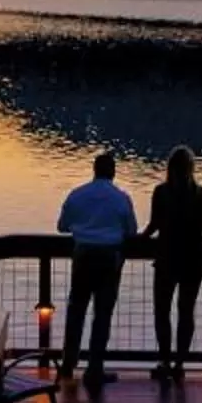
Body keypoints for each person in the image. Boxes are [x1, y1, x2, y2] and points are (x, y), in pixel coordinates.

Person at [55, 150, 137, 386]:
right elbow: (131, 230)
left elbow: (62, 227)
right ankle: (95, 368)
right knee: (102, 314)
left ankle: (68, 363)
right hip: (109, 257)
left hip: (82, 255)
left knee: (76, 310)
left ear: (94, 170)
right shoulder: (121, 198)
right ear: (113, 172)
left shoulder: (77, 195)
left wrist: (84, 228)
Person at [142, 145, 202, 375]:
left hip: (166, 257)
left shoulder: (161, 192)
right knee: (186, 310)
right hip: (194, 259)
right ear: (191, 168)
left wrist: (137, 239)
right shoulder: (201, 194)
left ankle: (164, 361)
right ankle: (180, 363)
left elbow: (154, 225)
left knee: (162, 311)